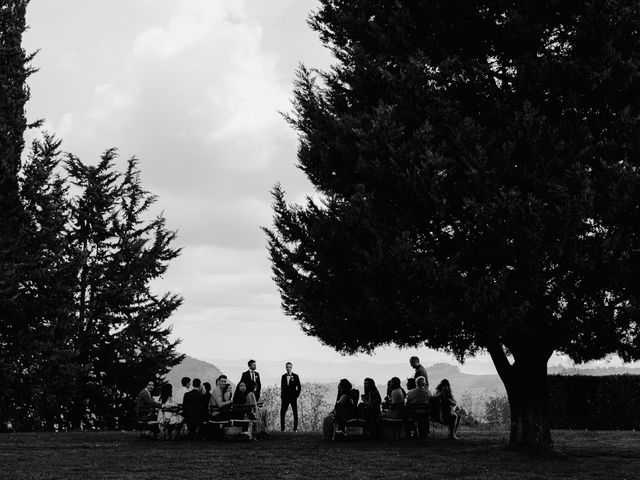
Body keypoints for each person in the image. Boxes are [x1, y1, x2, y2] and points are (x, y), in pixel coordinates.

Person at [280, 362, 302, 432]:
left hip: (293, 397)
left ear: (291, 367)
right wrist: (282, 396)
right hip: (285, 398)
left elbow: (299, 387)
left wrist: (296, 395)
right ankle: (283, 428)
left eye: (289, 367)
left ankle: (295, 429)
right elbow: (282, 387)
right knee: (282, 412)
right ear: (285, 368)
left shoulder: (296, 376)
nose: (288, 368)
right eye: (287, 367)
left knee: (295, 412)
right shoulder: (283, 376)